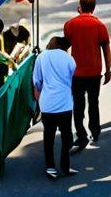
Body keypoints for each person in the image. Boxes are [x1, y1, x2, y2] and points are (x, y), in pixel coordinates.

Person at [63, 0, 111, 152]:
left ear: (80, 7)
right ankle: (95, 130)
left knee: (78, 104)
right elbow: (106, 49)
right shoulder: (99, 26)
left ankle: (81, 134)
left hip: (76, 73)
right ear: (94, 7)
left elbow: (65, 47)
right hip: (94, 72)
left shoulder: (70, 24)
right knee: (93, 102)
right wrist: (108, 69)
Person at [33, 36, 78, 180]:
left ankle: (50, 167)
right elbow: (72, 79)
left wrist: (40, 95)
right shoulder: (69, 59)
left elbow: (37, 81)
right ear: (65, 47)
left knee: (48, 137)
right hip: (65, 103)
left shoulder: (41, 57)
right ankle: (65, 166)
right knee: (67, 136)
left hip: (47, 104)